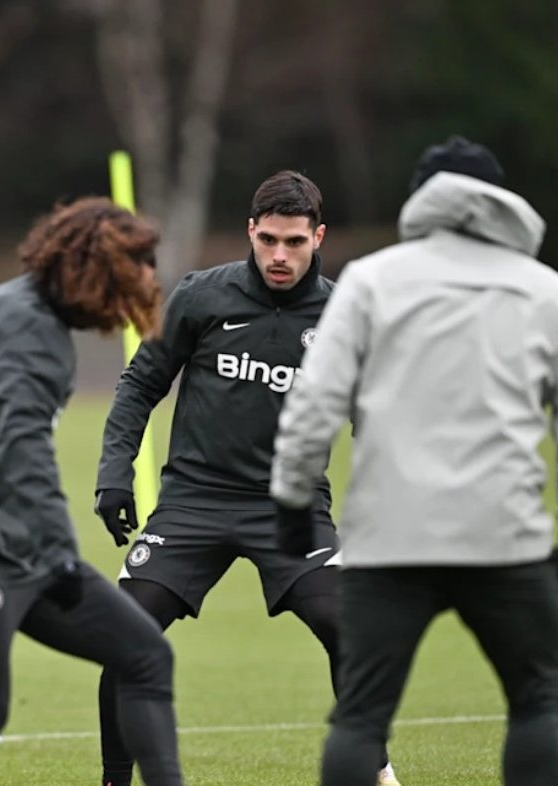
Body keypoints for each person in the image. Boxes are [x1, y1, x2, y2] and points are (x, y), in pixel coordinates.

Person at [94, 170, 399, 786]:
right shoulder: (201, 296)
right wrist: (114, 473)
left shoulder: (346, 313)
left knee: (346, 627)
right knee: (125, 637)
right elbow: (139, 385)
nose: (279, 256)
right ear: (250, 233)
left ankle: (376, 767)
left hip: (291, 507)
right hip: (193, 502)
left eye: (294, 242)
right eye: (268, 241)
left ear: (318, 236)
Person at [271, 136, 558, 786]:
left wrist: (292, 513)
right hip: (504, 537)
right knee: (538, 702)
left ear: (422, 199)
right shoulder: (543, 290)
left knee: (361, 718)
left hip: (389, 542)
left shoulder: (373, 280)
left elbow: (313, 405)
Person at [0, 197, 183, 786]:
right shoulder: (32, 334)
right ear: (99, 270)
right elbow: (25, 451)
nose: (151, 280)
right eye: (141, 266)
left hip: (19, 550)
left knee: (145, 655)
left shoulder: (8, 302)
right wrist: (61, 559)